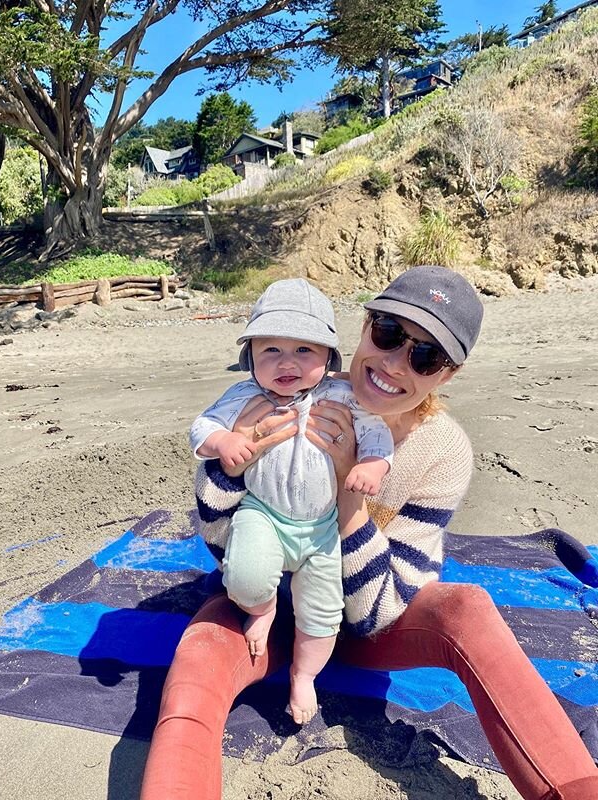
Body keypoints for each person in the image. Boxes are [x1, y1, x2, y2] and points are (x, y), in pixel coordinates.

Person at [141, 266, 598, 800]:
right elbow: (220, 541)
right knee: (198, 660)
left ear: (445, 376)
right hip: (259, 606)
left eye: (425, 357)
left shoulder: (441, 452)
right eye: (387, 333)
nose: (394, 363)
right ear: (362, 328)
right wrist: (233, 459)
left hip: (362, 622)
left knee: (468, 609)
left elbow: (374, 615)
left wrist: (349, 496)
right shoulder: (289, 389)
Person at [189, 278, 393, 723]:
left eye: (304, 350)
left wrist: (372, 464)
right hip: (264, 514)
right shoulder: (243, 397)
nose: (287, 363)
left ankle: (303, 676)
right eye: (271, 351)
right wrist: (224, 440)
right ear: (250, 359)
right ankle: (262, 609)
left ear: (328, 358)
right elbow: (200, 429)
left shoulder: (342, 396)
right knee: (243, 578)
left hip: (322, 528)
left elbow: (377, 432)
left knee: (324, 615)